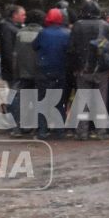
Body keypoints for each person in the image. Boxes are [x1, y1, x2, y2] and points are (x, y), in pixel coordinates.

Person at [68, 1, 109, 138]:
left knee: (83, 100)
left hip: (83, 68)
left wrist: (75, 67)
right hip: (101, 68)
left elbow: (72, 49)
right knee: (101, 100)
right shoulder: (105, 25)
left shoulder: (77, 25)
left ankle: (82, 131)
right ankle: (101, 131)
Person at [32, 8, 71, 137]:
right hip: (60, 70)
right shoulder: (67, 33)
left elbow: (35, 46)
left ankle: (42, 130)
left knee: (42, 100)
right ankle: (59, 130)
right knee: (59, 101)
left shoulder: (43, 33)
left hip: (43, 71)